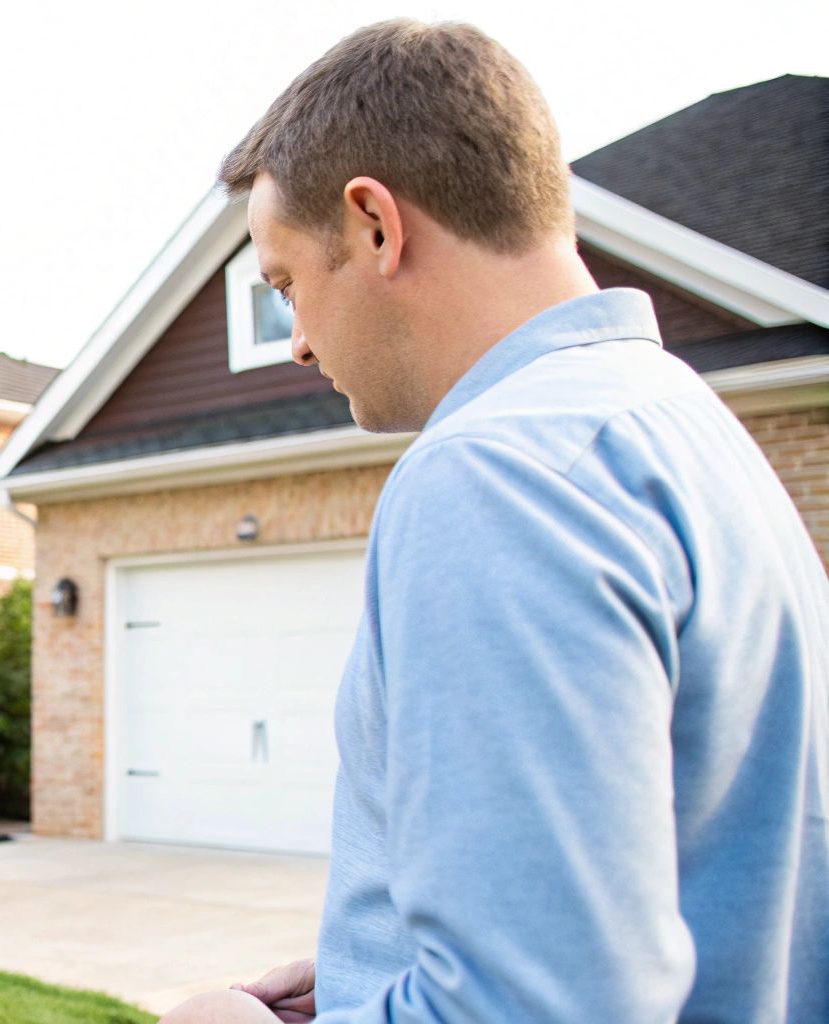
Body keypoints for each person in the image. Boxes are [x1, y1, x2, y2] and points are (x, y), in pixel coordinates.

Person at [162, 19, 828, 1024]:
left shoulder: (494, 475)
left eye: (286, 283)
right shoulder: (682, 429)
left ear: (374, 225)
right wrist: (373, 980)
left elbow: (541, 1007)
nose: (295, 341)